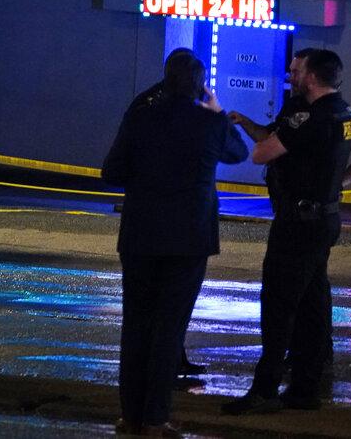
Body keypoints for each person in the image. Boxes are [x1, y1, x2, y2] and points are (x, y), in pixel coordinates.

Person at [222, 48, 351, 415]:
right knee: (312, 302)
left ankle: (264, 391)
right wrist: (339, 184)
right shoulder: (346, 114)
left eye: (296, 71)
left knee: (278, 306)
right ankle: (306, 388)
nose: (290, 75)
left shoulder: (310, 117)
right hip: (324, 220)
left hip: (297, 223)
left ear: (312, 76)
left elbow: (261, 155)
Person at [102, 50, 248, 435]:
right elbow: (239, 152)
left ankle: (129, 415)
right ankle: (155, 418)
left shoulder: (140, 116)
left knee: (136, 326)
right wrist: (216, 110)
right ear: (201, 85)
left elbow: (111, 171)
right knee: (169, 328)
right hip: (189, 238)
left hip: (140, 235)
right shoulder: (209, 124)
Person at [124, 47, 212, 380]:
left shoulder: (144, 106)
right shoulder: (192, 114)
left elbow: (115, 168)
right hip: (184, 230)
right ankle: (163, 374)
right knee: (170, 307)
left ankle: (165, 367)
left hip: (143, 227)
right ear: (194, 80)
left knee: (149, 310)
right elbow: (235, 149)